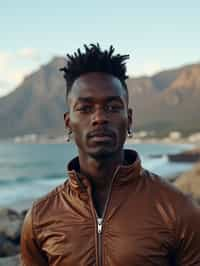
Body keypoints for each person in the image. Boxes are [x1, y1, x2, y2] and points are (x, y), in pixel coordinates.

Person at [21, 43, 200, 266]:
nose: (99, 118)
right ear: (68, 123)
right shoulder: (39, 218)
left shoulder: (178, 209)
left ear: (129, 119)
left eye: (113, 107)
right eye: (85, 109)